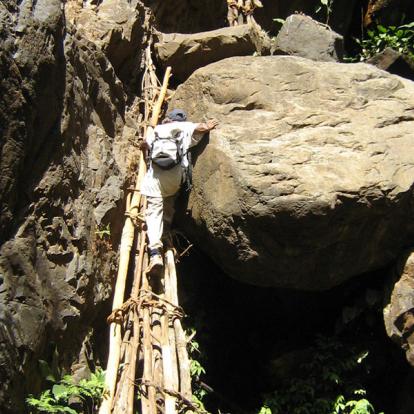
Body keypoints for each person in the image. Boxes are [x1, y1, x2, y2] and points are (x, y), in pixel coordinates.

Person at [140, 109, 218, 276]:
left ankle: (155, 253)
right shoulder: (184, 130)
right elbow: (200, 129)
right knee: (169, 201)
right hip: (175, 179)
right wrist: (210, 125)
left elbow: (146, 145)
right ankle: (166, 229)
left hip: (155, 178)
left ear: (168, 119)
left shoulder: (157, 130)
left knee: (154, 211)